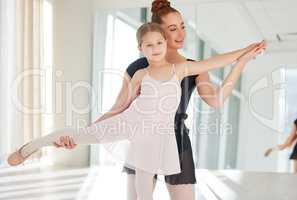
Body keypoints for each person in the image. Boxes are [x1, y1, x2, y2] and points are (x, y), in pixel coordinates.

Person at [7, 22, 264, 200]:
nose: (155, 48)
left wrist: (244, 54)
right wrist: (91, 129)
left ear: (165, 43)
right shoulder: (140, 73)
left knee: (143, 192)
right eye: (148, 45)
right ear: (140, 49)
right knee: (79, 134)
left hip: (156, 136)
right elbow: (120, 107)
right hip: (129, 123)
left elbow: (217, 61)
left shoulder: (182, 69)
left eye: (159, 42)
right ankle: (29, 148)